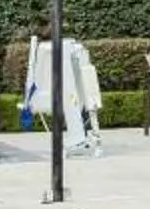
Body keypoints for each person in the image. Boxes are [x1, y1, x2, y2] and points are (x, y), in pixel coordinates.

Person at [23, 23, 104, 154]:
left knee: (72, 94)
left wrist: (28, 101)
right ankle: (81, 137)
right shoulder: (67, 48)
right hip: (58, 95)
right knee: (73, 94)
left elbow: (34, 79)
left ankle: (79, 137)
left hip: (46, 96)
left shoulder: (43, 49)